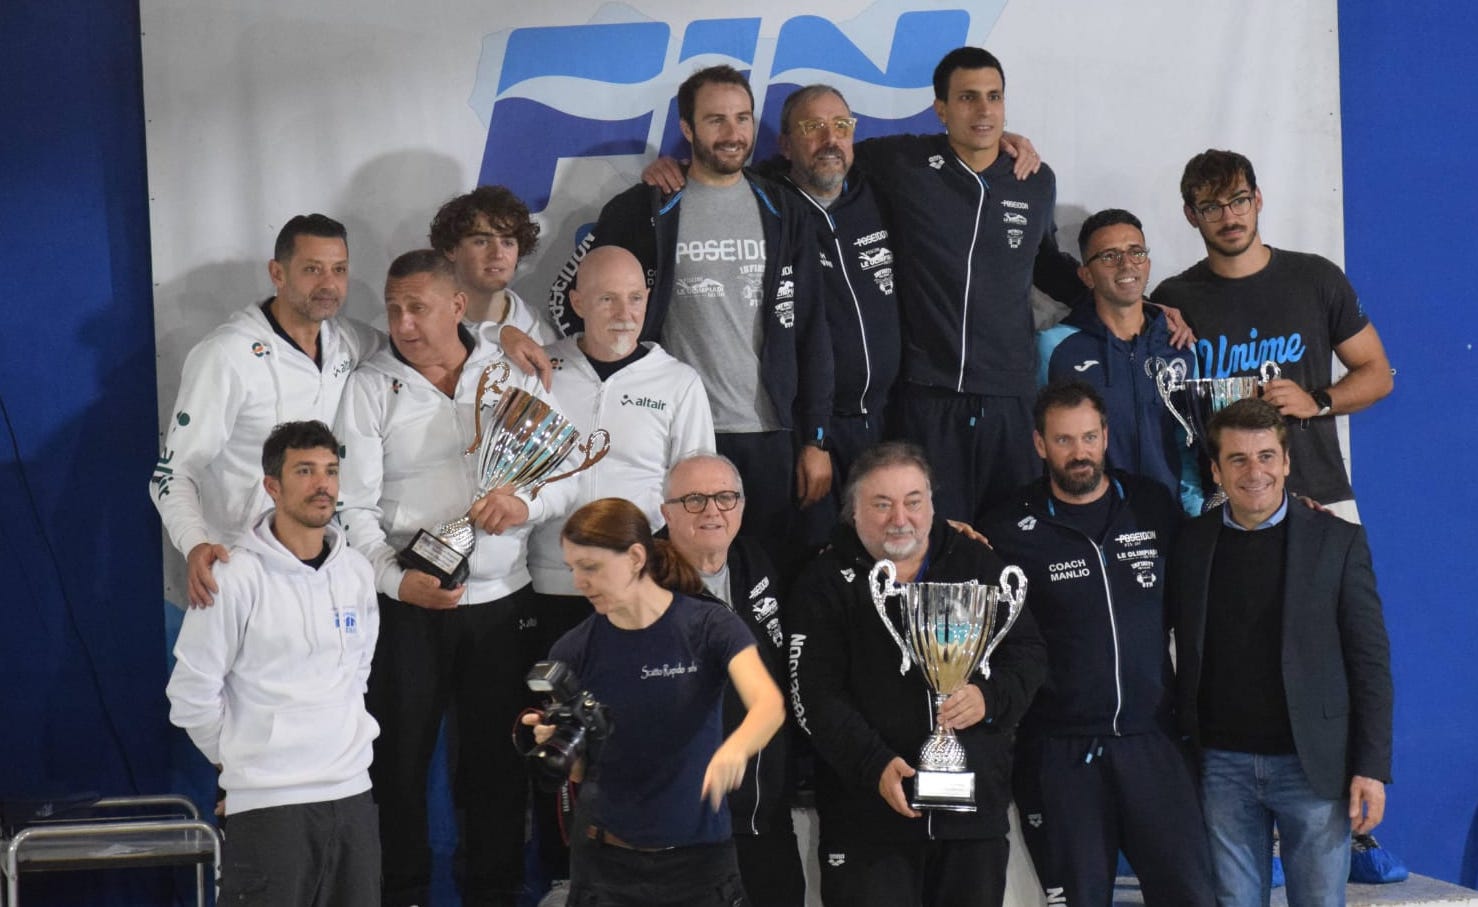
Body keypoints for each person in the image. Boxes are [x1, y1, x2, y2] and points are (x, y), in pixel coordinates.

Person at [336, 249, 575, 907]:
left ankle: (495, 892)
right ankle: (402, 893)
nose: (403, 324)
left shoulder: (510, 370)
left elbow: (564, 473)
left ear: (457, 306)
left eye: (418, 308)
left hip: (503, 602)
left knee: (499, 762)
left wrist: (527, 504)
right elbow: (352, 511)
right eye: (393, 309)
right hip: (408, 606)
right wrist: (394, 581)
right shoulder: (369, 386)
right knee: (397, 762)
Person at [546, 64, 833, 572]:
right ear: (687, 128)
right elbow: (569, 303)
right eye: (715, 120)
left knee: (766, 576)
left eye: (742, 118)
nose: (732, 133)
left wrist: (815, 438)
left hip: (768, 431)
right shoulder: (641, 209)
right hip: (672, 433)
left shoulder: (785, 210)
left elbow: (811, 327)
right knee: (678, 577)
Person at [980, 382, 1213, 906]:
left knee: (1193, 896)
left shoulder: (1151, 505)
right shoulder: (1007, 528)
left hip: (1153, 740)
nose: (1079, 453)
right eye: (1063, 440)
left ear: (1106, 436)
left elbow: (1210, 563)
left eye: (1088, 437)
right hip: (1060, 753)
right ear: (1040, 444)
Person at [787, 441, 1047, 907]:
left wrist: (989, 698)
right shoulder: (824, 581)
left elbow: (1028, 653)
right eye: (881, 504)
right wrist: (872, 764)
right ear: (853, 511)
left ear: (932, 503)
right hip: (867, 821)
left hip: (971, 820)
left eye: (913, 501)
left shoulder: (977, 563)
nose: (899, 518)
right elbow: (813, 694)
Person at [1167, 398, 1393, 906]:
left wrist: (1371, 767)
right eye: (1238, 459)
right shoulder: (1190, 544)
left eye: (1267, 456)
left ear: (1287, 462)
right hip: (1221, 765)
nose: (1255, 472)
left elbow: (1370, 662)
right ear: (1216, 470)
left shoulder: (1338, 542)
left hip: (1313, 767)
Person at [846, 47, 1086, 524]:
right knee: (933, 537)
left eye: (994, 97)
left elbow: (1045, 264)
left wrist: (1129, 306)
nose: (983, 110)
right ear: (941, 109)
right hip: (927, 394)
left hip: (1009, 396)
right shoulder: (903, 164)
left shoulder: (1034, 179)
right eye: (968, 98)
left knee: (1015, 535)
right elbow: (822, 163)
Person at [524, 498, 785, 907]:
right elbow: (580, 773)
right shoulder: (573, 649)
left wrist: (736, 749)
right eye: (572, 568)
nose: (579, 582)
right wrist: (559, 743)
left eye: (591, 567)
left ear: (635, 557)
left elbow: (768, 704)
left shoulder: (708, 625)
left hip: (700, 865)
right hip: (605, 865)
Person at [167, 420, 380, 906]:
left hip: (353, 799)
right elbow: (191, 693)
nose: (322, 484)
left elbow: (358, 673)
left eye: (330, 470)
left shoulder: (356, 572)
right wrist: (241, 761)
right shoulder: (234, 577)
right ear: (272, 486)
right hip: (269, 809)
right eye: (304, 471)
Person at [150, 213, 380, 607]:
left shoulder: (347, 340)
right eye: (312, 269)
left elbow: (413, 350)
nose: (328, 284)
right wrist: (195, 544)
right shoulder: (226, 354)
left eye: (339, 269)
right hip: (239, 568)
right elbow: (173, 473)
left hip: (321, 563)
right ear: (278, 273)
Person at [1153, 149, 1394, 521]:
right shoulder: (1173, 299)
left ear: (1258, 199)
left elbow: (1377, 374)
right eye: (1212, 208)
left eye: (1239, 201)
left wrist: (1317, 401)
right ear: (1191, 215)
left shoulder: (1315, 278)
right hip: (1223, 505)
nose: (1229, 218)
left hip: (1320, 494)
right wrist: (1148, 311)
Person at [526, 245, 715, 645]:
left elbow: (695, 493)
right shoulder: (539, 369)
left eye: (634, 298)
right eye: (607, 299)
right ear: (578, 302)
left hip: (637, 585)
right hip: (549, 582)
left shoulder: (678, 383)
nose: (624, 314)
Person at [660, 453, 805, 906]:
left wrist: (946, 533)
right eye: (694, 499)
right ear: (666, 512)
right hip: (684, 827)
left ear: (742, 505)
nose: (712, 510)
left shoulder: (755, 560)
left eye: (725, 497)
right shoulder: (641, 586)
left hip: (765, 814)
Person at [1038, 209, 1202, 514]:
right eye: (1109, 256)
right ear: (1087, 275)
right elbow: (1037, 441)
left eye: (1136, 252)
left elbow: (1189, 443)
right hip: (1092, 521)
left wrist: (1195, 513)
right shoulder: (1055, 348)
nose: (1126, 264)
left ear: (1147, 263)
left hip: (1173, 519)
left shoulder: (1181, 347)